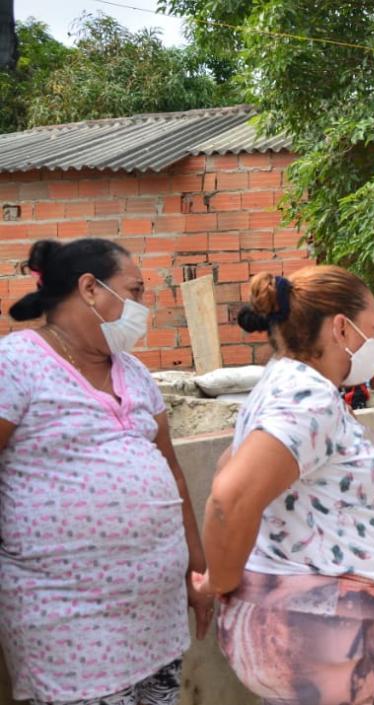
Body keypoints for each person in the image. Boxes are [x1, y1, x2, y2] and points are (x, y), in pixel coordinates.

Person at [0, 238, 212, 705]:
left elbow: (172, 472)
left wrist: (196, 573)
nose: (143, 306)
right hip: (69, 622)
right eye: (134, 291)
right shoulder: (14, 364)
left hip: (155, 620)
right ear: (90, 289)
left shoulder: (133, 372)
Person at [192, 267, 374, 705]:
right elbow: (229, 498)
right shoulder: (310, 398)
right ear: (341, 328)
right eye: (373, 330)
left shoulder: (284, 383)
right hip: (312, 621)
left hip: (306, 617)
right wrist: (219, 580)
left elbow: (229, 464)